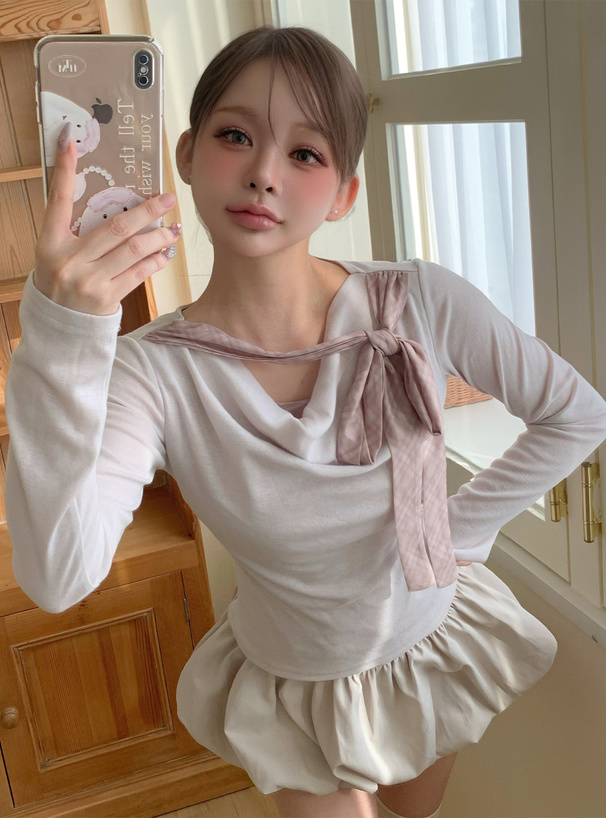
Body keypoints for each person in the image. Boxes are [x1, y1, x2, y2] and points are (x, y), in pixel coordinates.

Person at [5, 25, 606, 818]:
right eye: (235, 136)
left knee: (414, 809)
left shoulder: (419, 300)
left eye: (305, 153)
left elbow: (576, 414)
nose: (263, 173)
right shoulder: (150, 373)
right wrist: (64, 334)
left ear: (344, 193)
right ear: (186, 154)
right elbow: (58, 577)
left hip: (428, 643)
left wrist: (453, 530)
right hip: (295, 683)